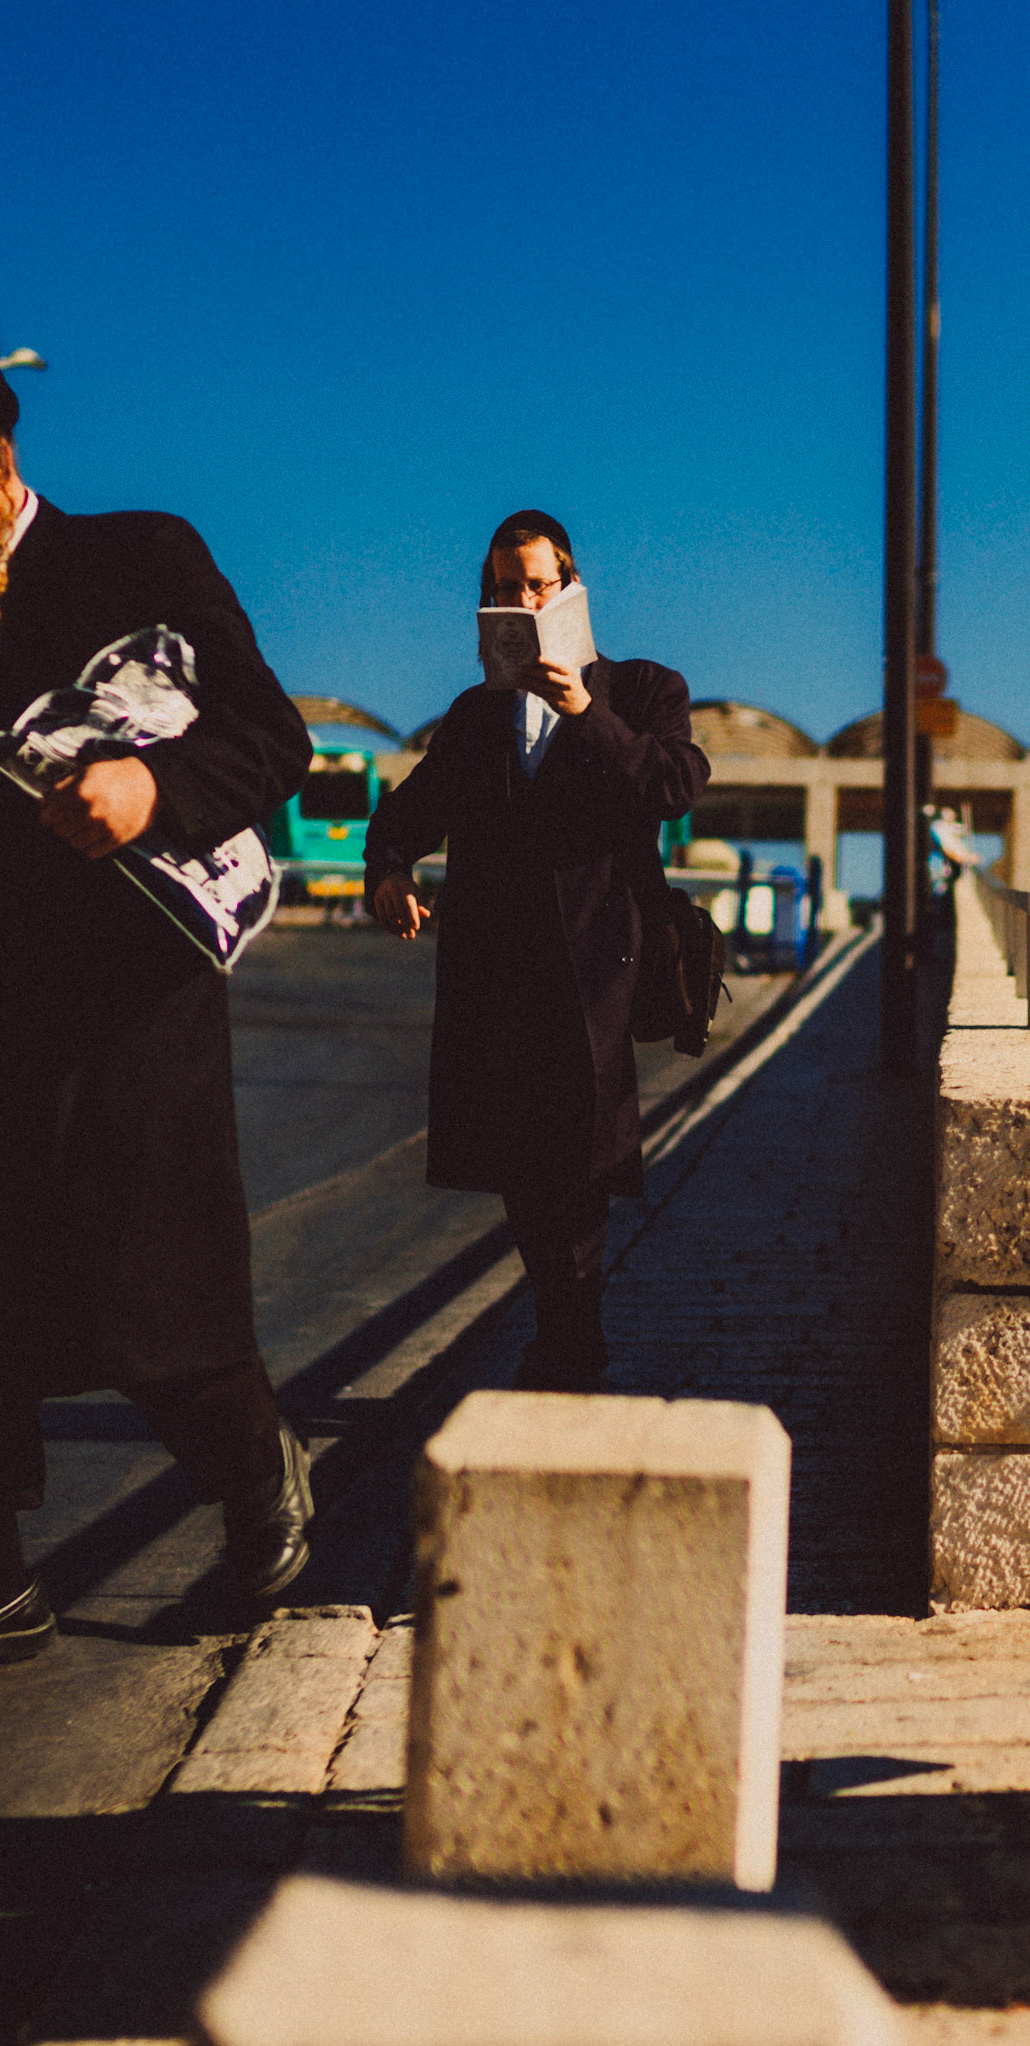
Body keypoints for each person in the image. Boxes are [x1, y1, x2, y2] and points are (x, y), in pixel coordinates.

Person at [0, 348, 314, 1685]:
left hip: (131, 990)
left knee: (144, 1289)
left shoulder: (137, 554)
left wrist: (149, 792)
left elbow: (271, 739)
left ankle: (255, 1472)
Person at [364, 510, 709, 1390]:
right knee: (520, 1158)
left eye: (535, 585)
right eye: (502, 590)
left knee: (580, 1150)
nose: (519, 600)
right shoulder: (477, 716)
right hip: (497, 965)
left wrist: (586, 713)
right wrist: (389, 869)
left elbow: (673, 784)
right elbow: (410, 807)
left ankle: (571, 1329)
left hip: (596, 959)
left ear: (570, 591)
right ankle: (565, 1320)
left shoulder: (641, 688)